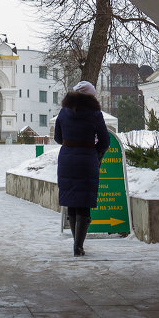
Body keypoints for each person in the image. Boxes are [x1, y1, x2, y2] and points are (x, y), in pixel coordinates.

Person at [54, 81, 110, 256]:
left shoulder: (63, 112)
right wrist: (96, 154)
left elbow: (57, 137)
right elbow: (105, 140)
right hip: (86, 159)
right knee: (84, 203)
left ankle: (75, 243)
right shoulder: (95, 113)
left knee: (71, 201)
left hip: (67, 159)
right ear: (90, 96)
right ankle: (78, 246)